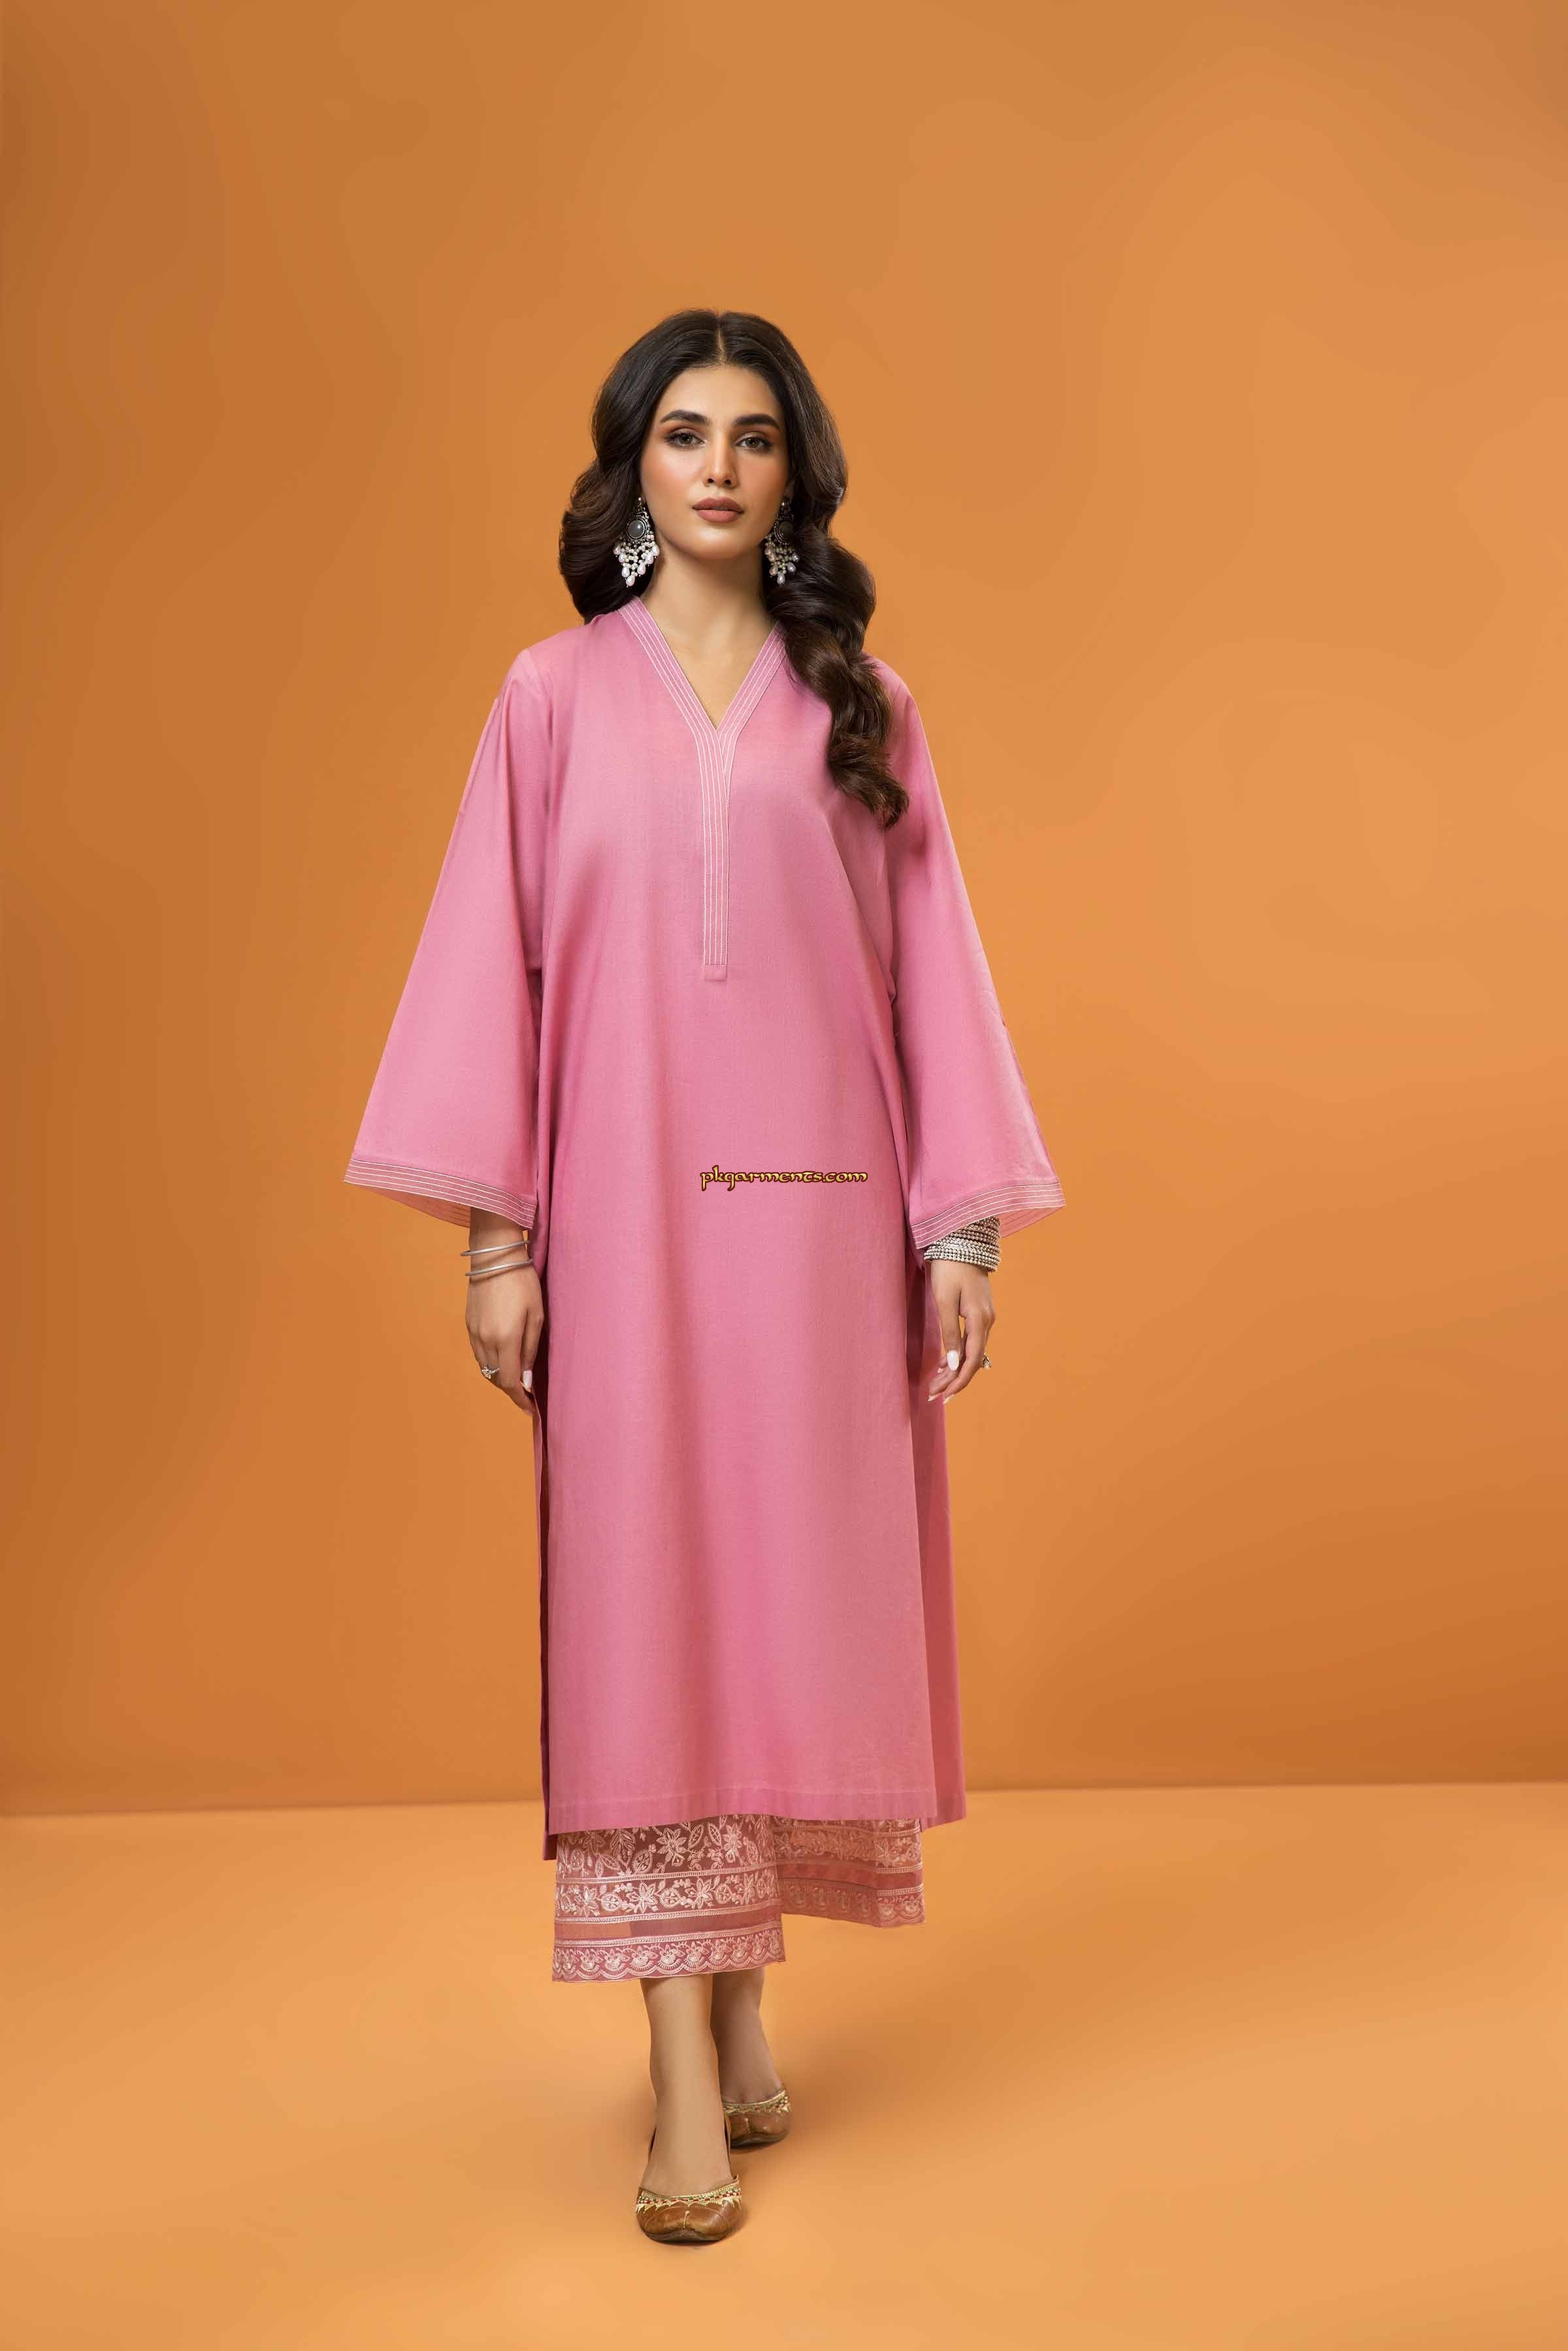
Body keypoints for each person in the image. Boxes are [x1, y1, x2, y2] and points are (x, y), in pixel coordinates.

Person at [343, 308, 1064, 2244]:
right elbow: (487, 968)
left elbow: (936, 974)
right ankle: (679, 2067)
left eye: (754, 435)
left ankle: (745, 1999)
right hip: (626, 1223)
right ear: (633, 466)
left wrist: (957, 1228)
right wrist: (503, 1241)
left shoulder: (865, 706)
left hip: (820, 1226)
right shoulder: (548, 699)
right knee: (648, 1600)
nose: (721, 466)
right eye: (685, 432)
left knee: (783, 1596)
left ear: (795, 470)